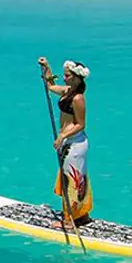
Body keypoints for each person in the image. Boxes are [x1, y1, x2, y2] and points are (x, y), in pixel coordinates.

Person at [38, 57, 92, 224]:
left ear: (76, 78)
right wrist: (47, 67)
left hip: (75, 144)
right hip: (68, 143)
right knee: (74, 180)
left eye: (67, 76)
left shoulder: (77, 98)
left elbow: (81, 124)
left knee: (72, 181)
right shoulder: (67, 91)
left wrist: (62, 136)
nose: (64, 78)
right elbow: (50, 86)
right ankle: (81, 216)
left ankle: (69, 221)